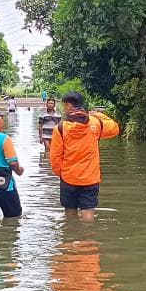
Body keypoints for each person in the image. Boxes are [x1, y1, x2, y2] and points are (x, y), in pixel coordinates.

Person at [49, 90, 120, 219]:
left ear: (68, 106)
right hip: (90, 177)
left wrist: (61, 173)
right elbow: (115, 129)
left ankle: (71, 235)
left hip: (68, 177)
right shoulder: (96, 123)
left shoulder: (60, 128)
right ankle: (88, 236)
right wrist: (99, 115)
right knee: (88, 210)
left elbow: (55, 157)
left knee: (70, 211)